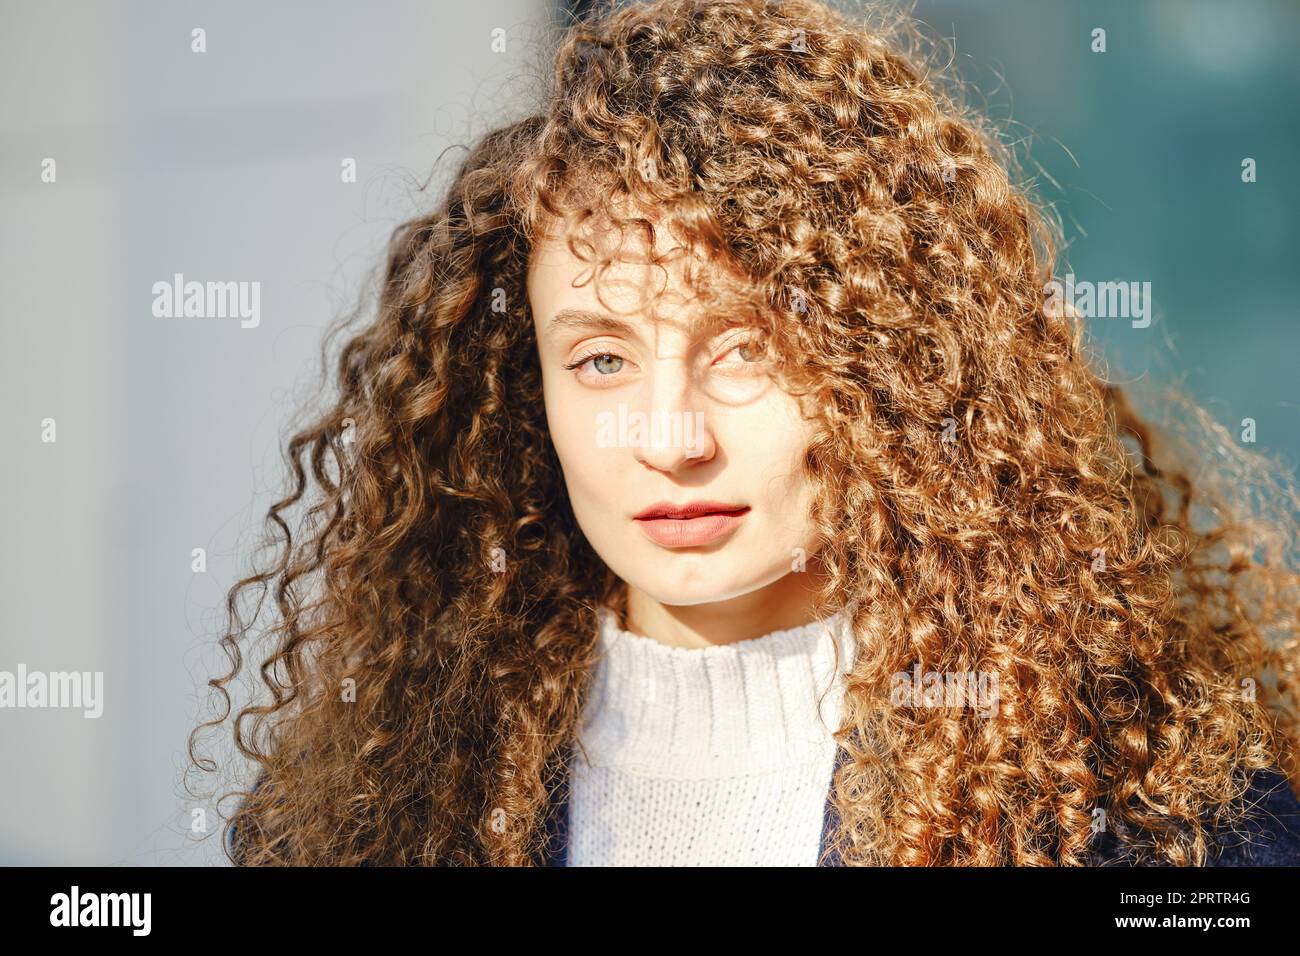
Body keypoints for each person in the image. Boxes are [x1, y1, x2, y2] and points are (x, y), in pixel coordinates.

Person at [197, 0, 1300, 866]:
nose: (669, 437)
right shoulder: (353, 822)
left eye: (746, 350)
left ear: (888, 372)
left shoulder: (1155, 827)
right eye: (601, 359)